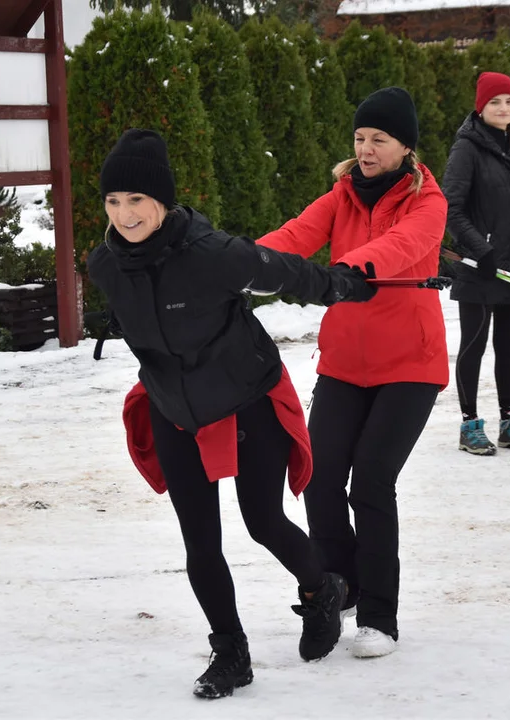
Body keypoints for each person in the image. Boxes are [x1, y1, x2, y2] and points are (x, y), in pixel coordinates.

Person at [87, 129, 377, 699]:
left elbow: (286, 273)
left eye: (137, 200)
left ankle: (324, 592)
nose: (125, 214)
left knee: (262, 522)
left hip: (246, 399)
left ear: (163, 202)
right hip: (177, 410)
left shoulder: (210, 252)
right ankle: (231, 652)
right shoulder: (105, 266)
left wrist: (342, 285)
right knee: (200, 540)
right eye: (114, 201)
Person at [256, 87, 449, 659]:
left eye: (379, 140)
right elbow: (294, 236)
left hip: (409, 366)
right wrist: (235, 264)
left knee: (370, 482)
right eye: (360, 138)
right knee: (319, 477)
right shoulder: (341, 196)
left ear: (405, 146)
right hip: (344, 364)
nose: (366, 150)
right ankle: (340, 583)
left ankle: (379, 618)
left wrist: (342, 272)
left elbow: (400, 246)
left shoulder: (427, 202)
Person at [441, 71, 510, 456]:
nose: (503, 108)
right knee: (474, 345)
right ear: (480, 107)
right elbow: (450, 209)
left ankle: (509, 423)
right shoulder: (466, 149)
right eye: (494, 102)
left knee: (508, 346)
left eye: (509, 102)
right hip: (477, 266)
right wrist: (479, 250)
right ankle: (469, 425)